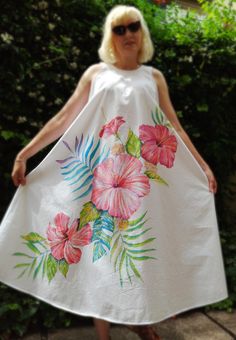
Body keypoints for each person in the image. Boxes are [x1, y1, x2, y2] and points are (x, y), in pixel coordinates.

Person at [2, 5, 227, 340]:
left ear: (142, 32)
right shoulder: (96, 74)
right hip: (97, 180)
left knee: (134, 255)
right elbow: (64, 120)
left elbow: (174, 129)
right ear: (110, 35)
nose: (128, 35)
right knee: (97, 259)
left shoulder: (153, 78)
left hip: (137, 186)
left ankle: (140, 322)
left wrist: (202, 166)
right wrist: (24, 154)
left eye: (133, 27)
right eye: (119, 29)